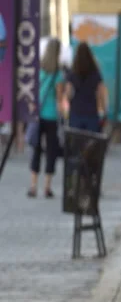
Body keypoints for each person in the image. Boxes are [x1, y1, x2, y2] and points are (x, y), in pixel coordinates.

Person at [28, 38, 65, 198]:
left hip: (37, 114)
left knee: (36, 149)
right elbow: (59, 99)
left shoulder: (38, 69)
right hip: (50, 116)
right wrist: (62, 116)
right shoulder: (58, 74)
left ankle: (33, 186)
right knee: (51, 151)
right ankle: (47, 187)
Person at [65, 42, 107, 132]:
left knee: (76, 142)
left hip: (76, 112)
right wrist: (104, 111)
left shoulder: (72, 73)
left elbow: (68, 94)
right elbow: (101, 94)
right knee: (91, 142)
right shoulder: (95, 74)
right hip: (91, 113)